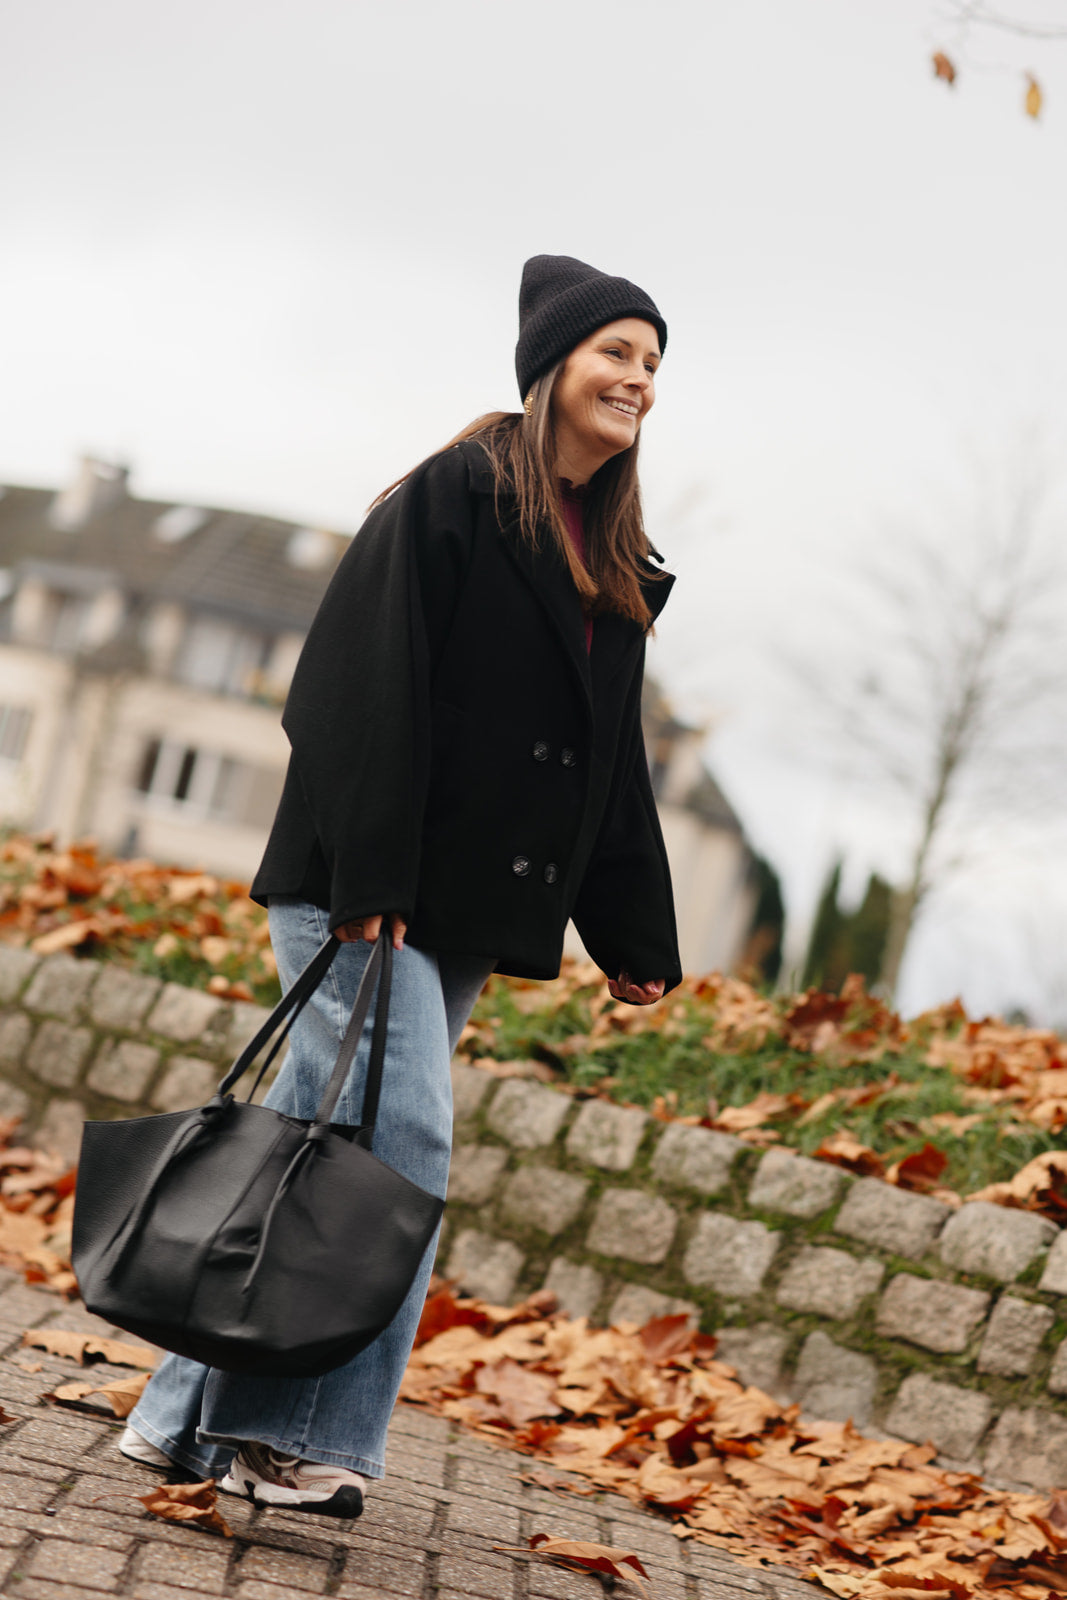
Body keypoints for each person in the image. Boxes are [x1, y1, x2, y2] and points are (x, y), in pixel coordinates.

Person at [121, 253, 682, 1518]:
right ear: (551, 366)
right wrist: (371, 876)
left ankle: (176, 1419)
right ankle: (284, 1437)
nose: (638, 378)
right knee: (397, 1151)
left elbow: (609, 764)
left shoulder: (615, 555)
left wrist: (631, 928)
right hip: (358, 888)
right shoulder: (455, 497)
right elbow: (346, 691)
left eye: (653, 362)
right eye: (615, 352)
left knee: (314, 1160)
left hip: (461, 914)